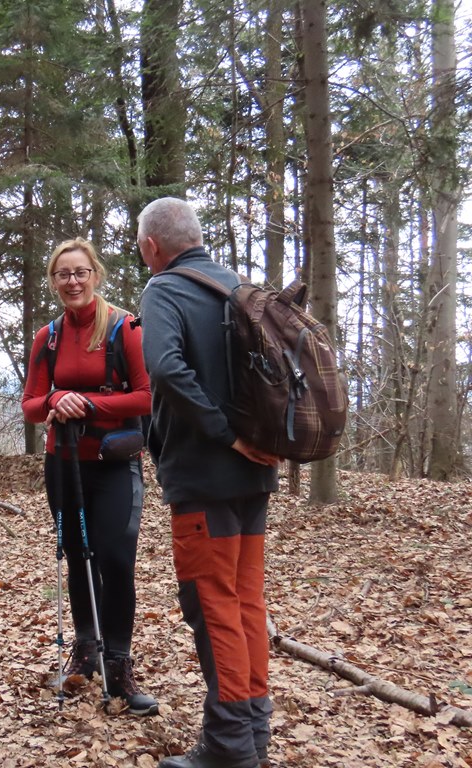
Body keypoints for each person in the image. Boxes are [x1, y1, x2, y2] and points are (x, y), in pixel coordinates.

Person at [138, 198, 279, 768]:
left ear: (152, 246)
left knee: (214, 604)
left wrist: (224, 434)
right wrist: (243, 441)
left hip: (205, 477)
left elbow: (166, 368)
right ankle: (253, 731)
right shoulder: (239, 288)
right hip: (256, 474)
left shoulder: (165, 290)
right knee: (244, 602)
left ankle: (227, 745)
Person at [21, 238, 159, 716]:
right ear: (53, 281)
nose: (72, 281)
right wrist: (56, 399)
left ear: (95, 275)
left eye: (80, 272)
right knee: (77, 556)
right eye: (63, 274)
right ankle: (86, 649)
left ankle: (118, 663)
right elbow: (31, 404)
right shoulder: (48, 337)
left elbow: (147, 396)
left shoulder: (125, 327)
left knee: (116, 559)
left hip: (115, 464)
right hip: (63, 462)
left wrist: (88, 403)